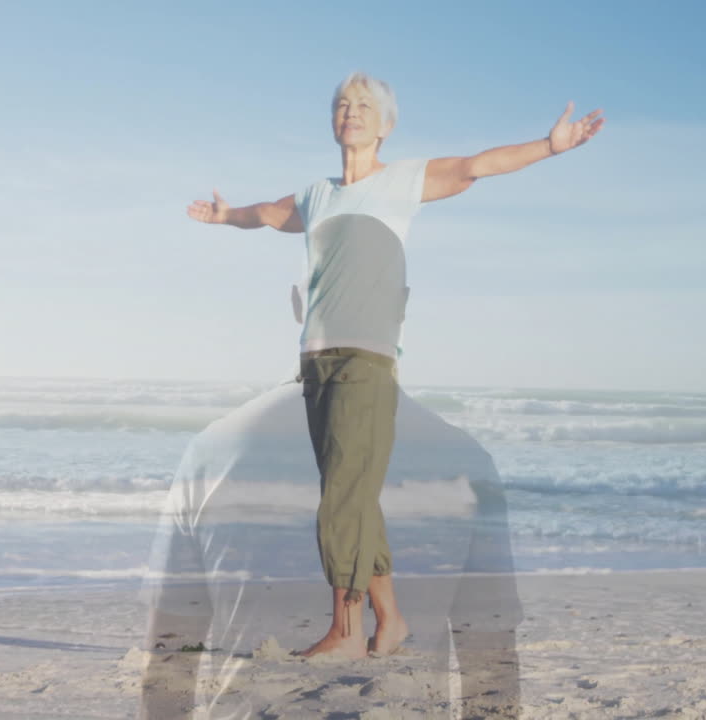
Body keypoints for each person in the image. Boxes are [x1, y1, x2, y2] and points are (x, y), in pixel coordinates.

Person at [185, 70, 603, 661]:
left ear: (384, 126)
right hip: (316, 360)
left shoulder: (403, 180)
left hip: (367, 359)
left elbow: (477, 165)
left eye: (362, 105)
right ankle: (392, 621)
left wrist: (549, 146)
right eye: (341, 104)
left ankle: (345, 631)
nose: (350, 112)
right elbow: (272, 214)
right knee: (350, 492)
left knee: (341, 503)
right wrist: (226, 217)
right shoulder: (317, 194)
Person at [139, 285, 525, 718]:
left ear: (297, 303)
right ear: (401, 306)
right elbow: (490, 664)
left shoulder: (212, 451)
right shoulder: (464, 458)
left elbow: (172, 649)